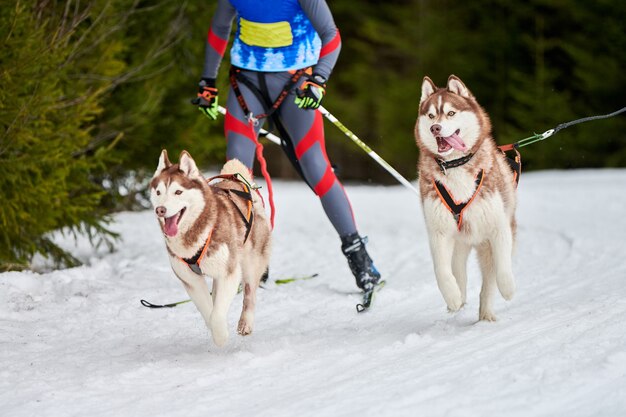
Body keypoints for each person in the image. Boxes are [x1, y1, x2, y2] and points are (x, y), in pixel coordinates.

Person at [194, 0, 381, 292]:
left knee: (316, 169)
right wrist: (208, 82)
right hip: (246, 82)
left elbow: (331, 35)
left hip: (296, 82)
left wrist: (319, 79)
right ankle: (254, 255)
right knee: (236, 177)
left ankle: (359, 256)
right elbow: (219, 28)